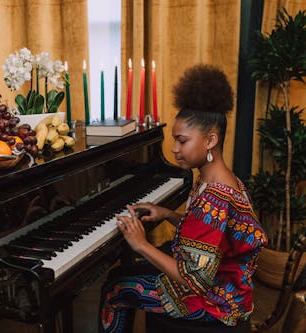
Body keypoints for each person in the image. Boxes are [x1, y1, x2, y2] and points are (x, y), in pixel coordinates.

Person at [99, 64, 267, 333]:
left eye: (182, 141)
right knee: (121, 275)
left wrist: (141, 244)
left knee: (115, 289)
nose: (174, 149)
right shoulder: (221, 180)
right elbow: (211, 236)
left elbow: (193, 281)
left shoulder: (214, 197)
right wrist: (168, 214)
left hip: (214, 302)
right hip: (228, 288)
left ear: (210, 140)